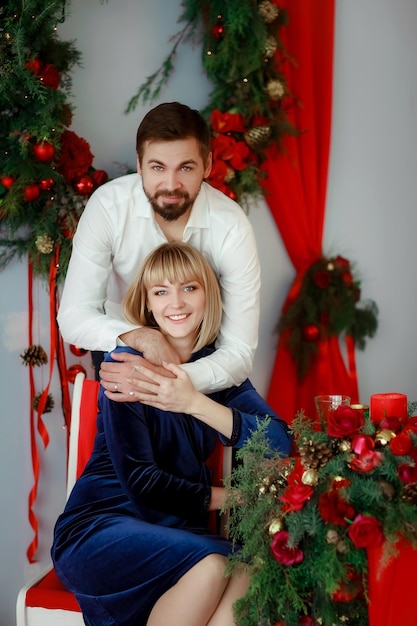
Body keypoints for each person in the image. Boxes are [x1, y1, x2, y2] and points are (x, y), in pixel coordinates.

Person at [51, 242, 292, 626]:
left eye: (189, 288)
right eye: (161, 291)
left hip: (176, 531)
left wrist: (193, 402)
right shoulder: (126, 365)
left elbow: (282, 441)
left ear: (207, 294)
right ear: (148, 304)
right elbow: (142, 483)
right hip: (102, 528)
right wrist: (237, 497)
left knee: (250, 570)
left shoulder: (220, 371)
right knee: (214, 566)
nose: (175, 302)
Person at [57, 101, 261, 396]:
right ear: (139, 165)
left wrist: (160, 381)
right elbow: (74, 316)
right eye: (157, 167)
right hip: (122, 351)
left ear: (207, 165)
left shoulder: (231, 227)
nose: (170, 184)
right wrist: (142, 338)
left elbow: (238, 351)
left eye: (186, 168)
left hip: (203, 364)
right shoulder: (108, 207)